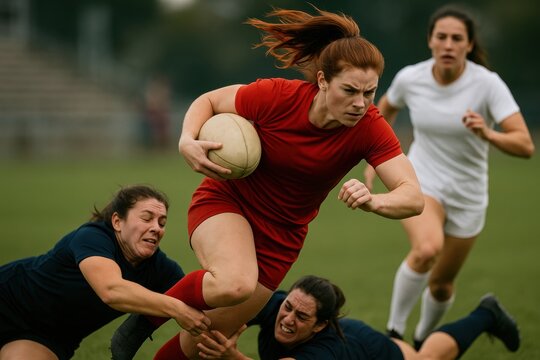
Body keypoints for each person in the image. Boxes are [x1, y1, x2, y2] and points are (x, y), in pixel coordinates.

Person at [111, 6, 424, 360]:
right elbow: (210, 100)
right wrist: (186, 139)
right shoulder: (278, 96)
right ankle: (146, 317)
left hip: (282, 237)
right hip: (228, 202)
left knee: (205, 341)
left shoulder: (369, 126)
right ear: (322, 81)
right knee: (235, 282)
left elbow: (413, 198)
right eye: (350, 90)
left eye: (369, 93)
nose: (360, 103)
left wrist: (374, 200)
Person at [362, 4, 535, 348]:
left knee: (441, 285)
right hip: (423, 180)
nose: (448, 44)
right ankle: (393, 335)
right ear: (430, 41)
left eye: (457, 39)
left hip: (469, 195)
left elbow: (525, 145)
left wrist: (488, 134)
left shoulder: (487, 85)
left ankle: (423, 338)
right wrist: (374, 155)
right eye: (441, 37)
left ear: (469, 45)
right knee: (426, 249)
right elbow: (383, 109)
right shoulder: (411, 78)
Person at [0, 185, 210, 360]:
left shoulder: (160, 268)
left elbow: (199, 302)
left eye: (162, 222)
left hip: (47, 337)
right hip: (6, 301)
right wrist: (176, 308)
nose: (156, 228)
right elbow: (111, 290)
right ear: (117, 222)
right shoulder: (93, 237)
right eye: (147, 218)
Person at [196, 275, 520, 359]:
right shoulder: (276, 306)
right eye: (289, 307)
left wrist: (230, 356)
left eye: (302, 316)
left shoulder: (327, 349)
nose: (288, 319)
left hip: (365, 349)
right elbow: (231, 304)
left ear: (320, 324)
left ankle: (485, 314)